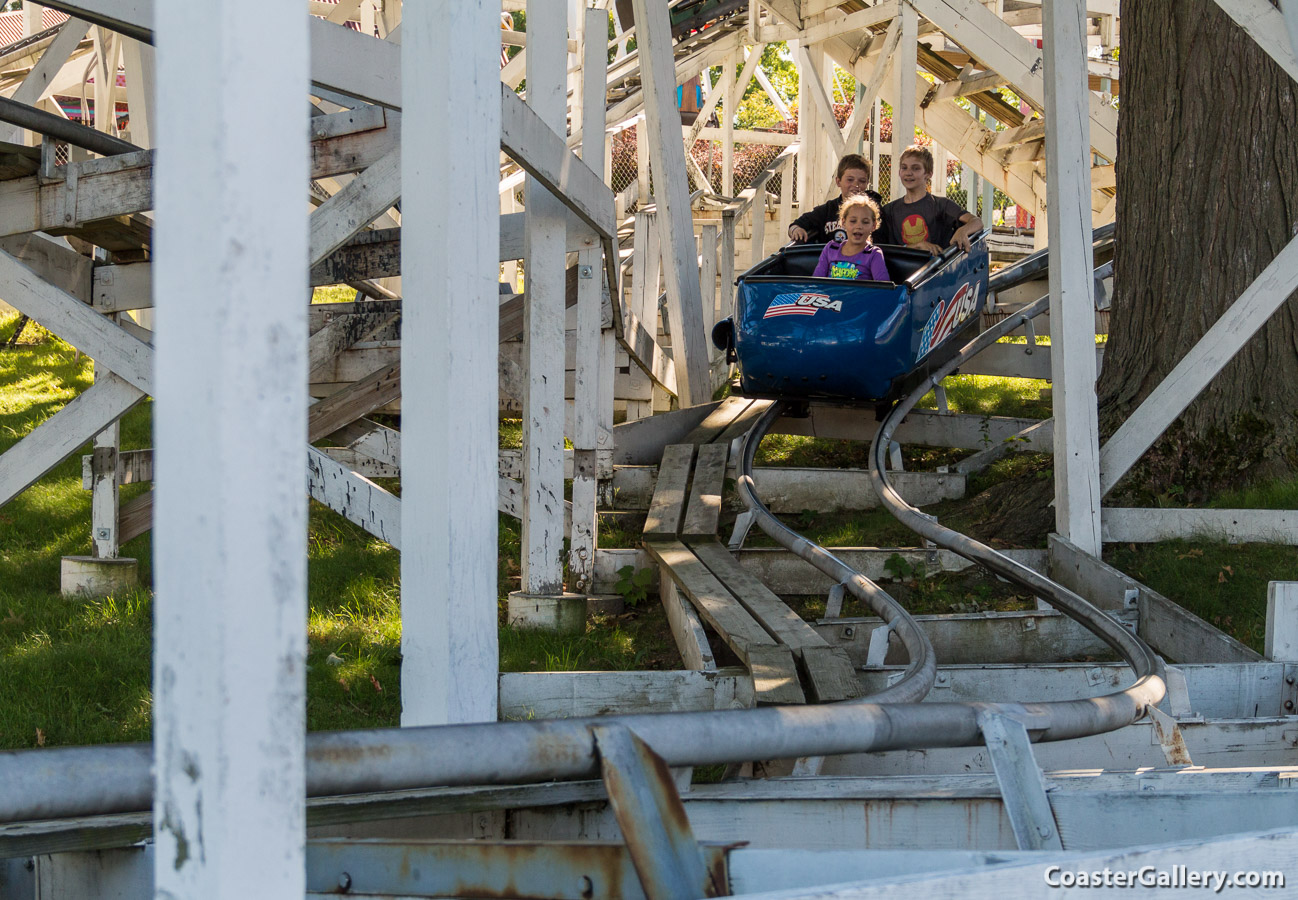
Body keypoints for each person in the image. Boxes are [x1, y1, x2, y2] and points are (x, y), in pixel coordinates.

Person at [879, 144, 981, 254]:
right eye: (904, 168)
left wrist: (963, 231)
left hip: (935, 269)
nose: (908, 173)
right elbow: (883, 249)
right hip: (901, 270)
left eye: (916, 168)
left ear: (928, 174)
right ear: (899, 172)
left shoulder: (942, 205)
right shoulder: (889, 210)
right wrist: (917, 246)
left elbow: (977, 222)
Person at [787, 153, 884, 245]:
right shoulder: (827, 210)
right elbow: (797, 224)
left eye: (862, 181)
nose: (856, 185)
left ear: (867, 183)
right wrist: (795, 230)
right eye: (850, 180)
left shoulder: (875, 211)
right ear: (838, 182)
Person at [812, 195, 889, 282]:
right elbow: (816, 282)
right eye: (853, 221)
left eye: (865, 222)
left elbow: (883, 288)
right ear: (843, 222)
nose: (859, 226)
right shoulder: (830, 248)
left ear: (873, 226)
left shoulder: (874, 254)